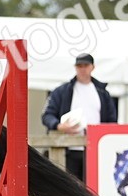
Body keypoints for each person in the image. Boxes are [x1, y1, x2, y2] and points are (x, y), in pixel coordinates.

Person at [40, 53, 117, 182]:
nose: (82, 69)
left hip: (94, 149)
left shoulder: (103, 93)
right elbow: (47, 115)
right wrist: (58, 126)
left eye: (85, 65)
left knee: (93, 186)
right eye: (79, 66)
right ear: (75, 67)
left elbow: (112, 120)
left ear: (92, 67)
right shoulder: (62, 91)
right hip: (68, 149)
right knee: (69, 186)